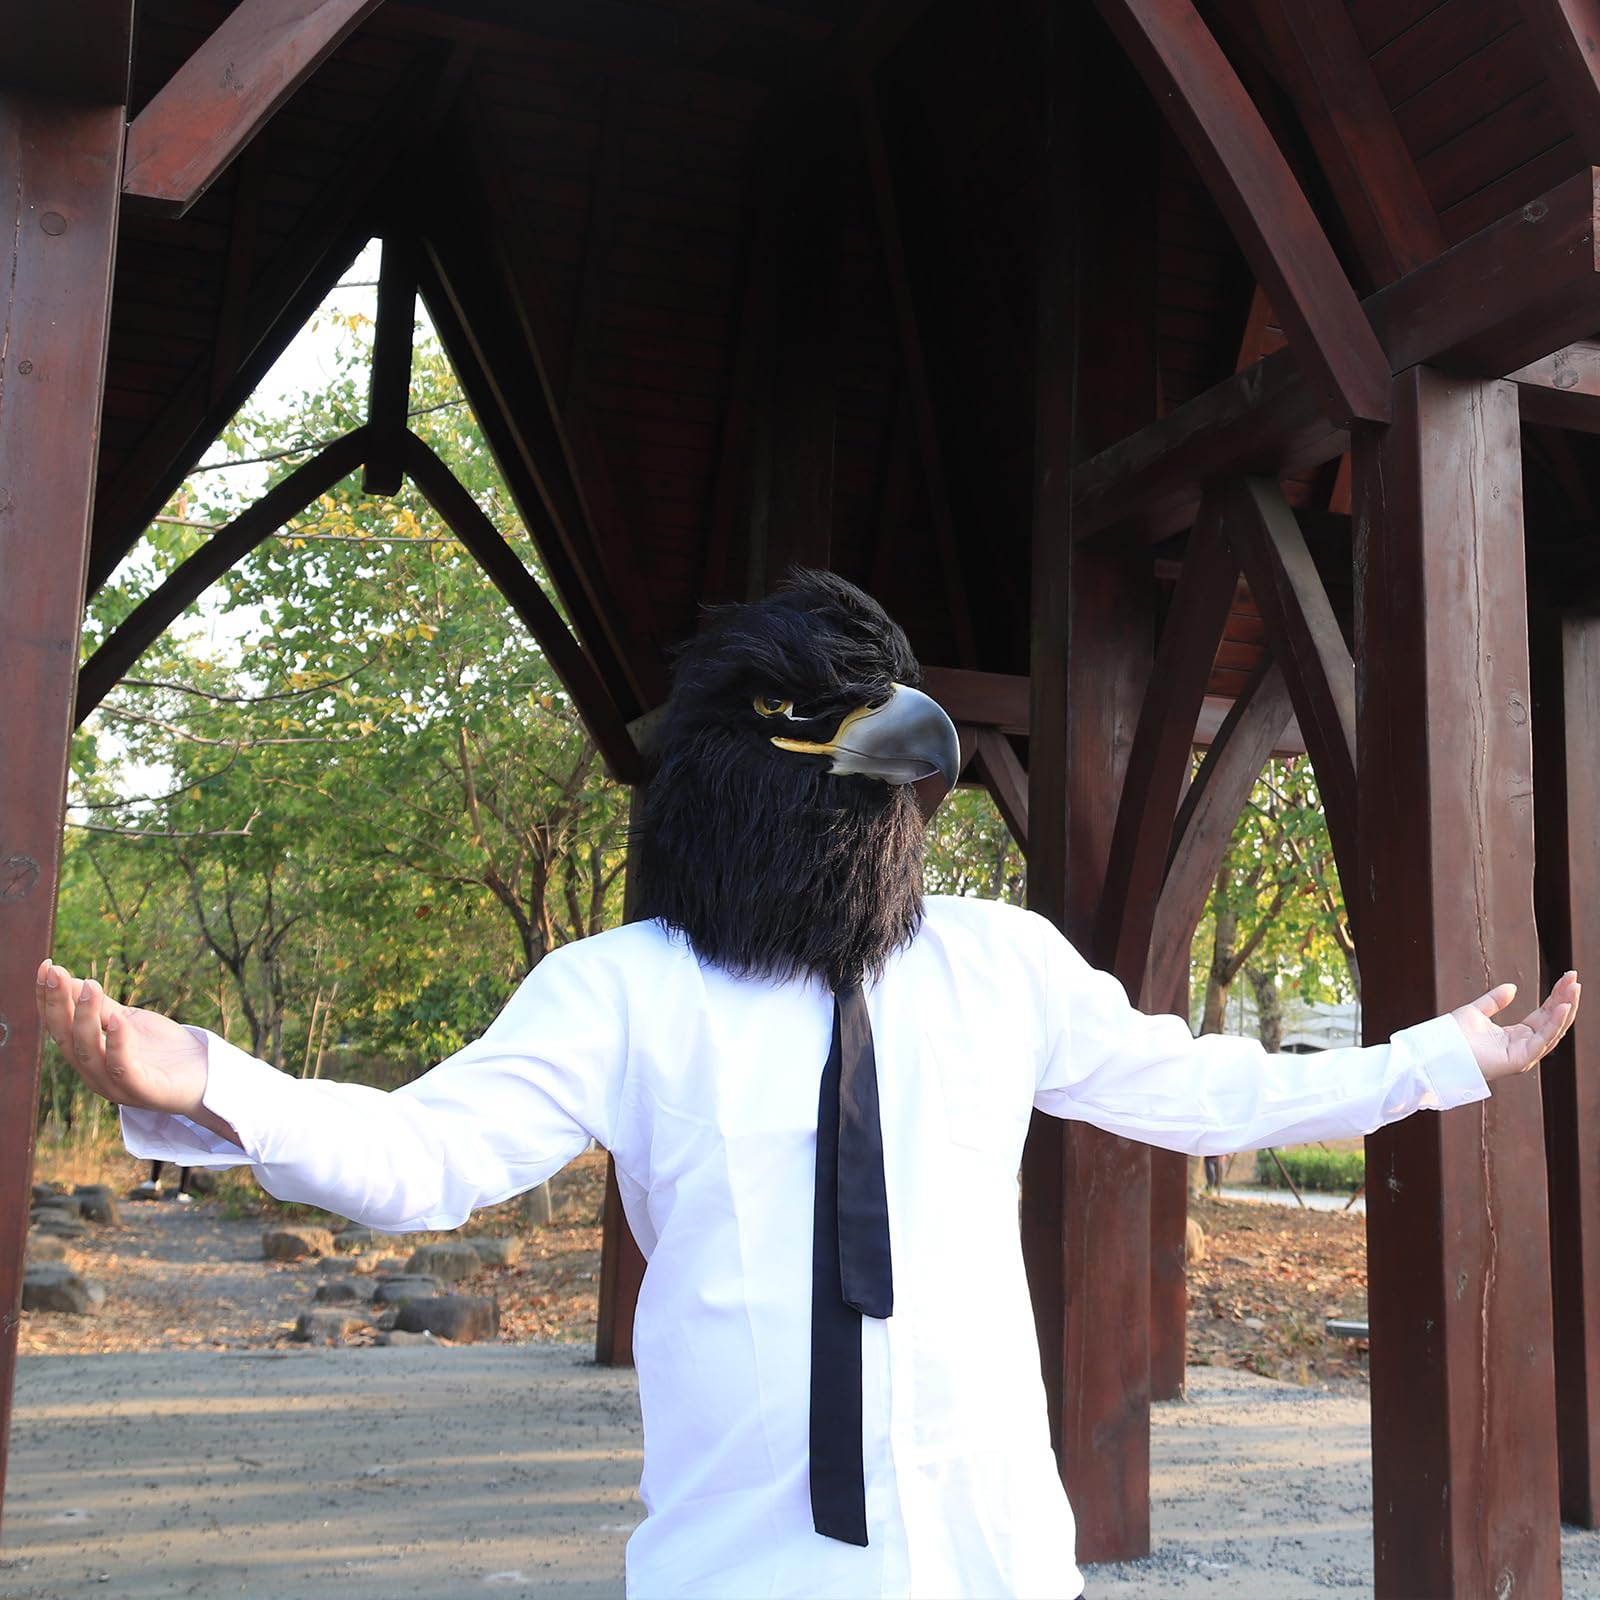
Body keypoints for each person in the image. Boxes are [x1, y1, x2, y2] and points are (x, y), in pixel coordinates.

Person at [36, 573, 1581, 1599]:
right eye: (833, 722)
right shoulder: (622, 989)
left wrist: (1439, 1060)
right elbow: (426, 1155)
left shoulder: (998, 965)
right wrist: (219, 1082)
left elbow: (1203, 1092)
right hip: (744, 1570)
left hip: (994, 1560)